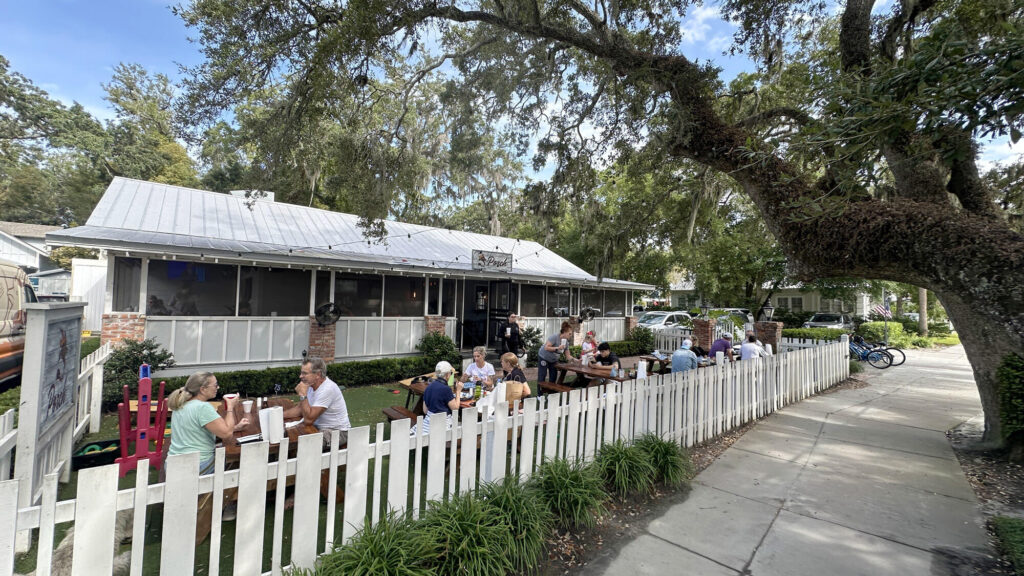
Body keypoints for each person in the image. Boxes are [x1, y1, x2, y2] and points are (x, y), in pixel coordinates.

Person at [167, 372, 249, 474]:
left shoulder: (181, 404)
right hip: (197, 466)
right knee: (239, 464)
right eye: (215, 385)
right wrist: (230, 407)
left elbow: (195, 430)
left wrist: (235, 427)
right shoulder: (202, 408)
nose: (218, 387)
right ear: (202, 389)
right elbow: (227, 434)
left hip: (173, 465)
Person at [283, 357, 351, 448]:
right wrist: (278, 415)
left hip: (337, 432)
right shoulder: (311, 386)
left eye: (305, 373)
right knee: (288, 436)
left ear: (318, 375)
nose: (300, 376)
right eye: (301, 373)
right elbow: (299, 409)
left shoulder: (327, 389)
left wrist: (303, 395)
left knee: (303, 445)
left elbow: (308, 420)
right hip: (319, 428)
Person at [421, 361, 463, 435]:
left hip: (428, 423)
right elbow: (455, 408)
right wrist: (458, 391)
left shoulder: (428, 387)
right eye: (450, 373)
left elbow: (425, 410)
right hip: (443, 424)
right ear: (447, 375)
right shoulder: (446, 389)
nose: (450, 375)